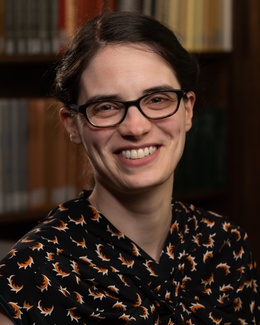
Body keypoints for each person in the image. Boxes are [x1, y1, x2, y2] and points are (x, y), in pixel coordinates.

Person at [0, 10, 259, 325]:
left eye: (157, 100)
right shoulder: (30, 274)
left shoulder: (225, 245)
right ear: (73, 124)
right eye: (107, 107)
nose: (136, 127)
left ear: (188, 110)